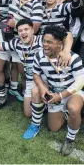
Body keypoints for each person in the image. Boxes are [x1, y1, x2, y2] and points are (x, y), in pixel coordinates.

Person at [0, 19, 72, 117]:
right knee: (28, 113)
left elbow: (67, 34)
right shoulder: (16, 43)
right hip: (31, 80)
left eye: (26, 29)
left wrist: (66, 50)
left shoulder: (41, 40)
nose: (23, 32)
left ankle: (58, 105)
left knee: (52, 96)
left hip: (47, 79)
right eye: (20, 30)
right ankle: (45, 105)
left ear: (32, 30)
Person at [29, 25, 84, 156]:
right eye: (43, 41)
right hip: (54, 93)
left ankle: (70, 139)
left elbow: (81, 82)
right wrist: (43, 89)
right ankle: (66, 114)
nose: (44, 45)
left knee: (74, 108)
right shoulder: (39, 56)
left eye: (49, 42)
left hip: (72, 93)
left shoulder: (73, 57)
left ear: (60, 43)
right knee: (54, 128)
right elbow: (36, 74)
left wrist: (61, 95)